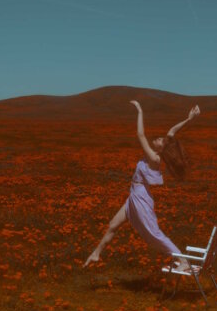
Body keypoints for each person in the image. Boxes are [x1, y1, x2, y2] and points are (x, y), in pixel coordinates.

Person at [84, 100, 200, 270]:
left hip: (140, 198)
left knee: (154, 233)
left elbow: (140, 135)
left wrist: (139, 110)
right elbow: (172, 131)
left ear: (162, 149)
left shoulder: (154, 158)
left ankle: (183, 261)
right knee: (113, 225)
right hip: (134, 195)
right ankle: (96, 253)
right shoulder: (157, 153)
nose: (159, 138)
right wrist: (189, 119)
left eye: (161, 140)